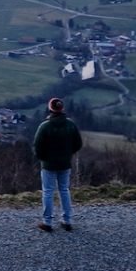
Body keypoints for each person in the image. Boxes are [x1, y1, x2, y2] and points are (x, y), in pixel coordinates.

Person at [32, 97, 83, 232]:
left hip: (49, 165)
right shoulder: (71, 125)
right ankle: (67, 220)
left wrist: (43, 158)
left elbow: (37, 147)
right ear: (62, 109)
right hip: (65, 163)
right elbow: (78, 144)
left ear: (50, 108)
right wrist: (67, 154)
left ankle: (47, 222)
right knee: (64, 190)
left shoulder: (45, 126)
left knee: (48, 192)